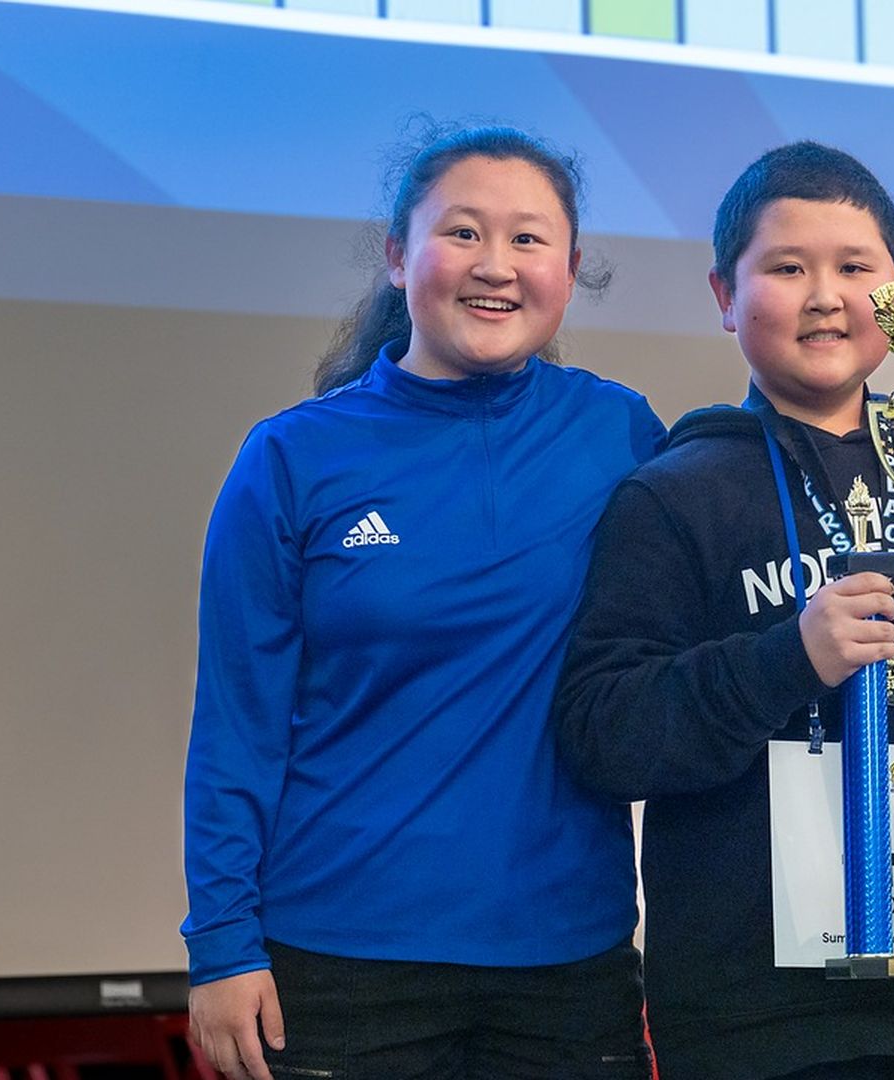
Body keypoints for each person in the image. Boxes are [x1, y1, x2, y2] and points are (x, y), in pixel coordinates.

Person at [554, 142, 894, 1080]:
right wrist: (788, 658)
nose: (825, 295)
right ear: (724, 296)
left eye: (855, 268)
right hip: (759, 1019)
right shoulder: (671, 497)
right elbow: (604, 732)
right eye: (786, 267)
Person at [181, 124, 667, 1080]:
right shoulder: (290, 459)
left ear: (570, 271)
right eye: (463, 233)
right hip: (341, 967)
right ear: (400, 256)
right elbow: (238, 723)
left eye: (530, 240)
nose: (496, 266)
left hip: (569, 962)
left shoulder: (620, 431)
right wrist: (224, 944)